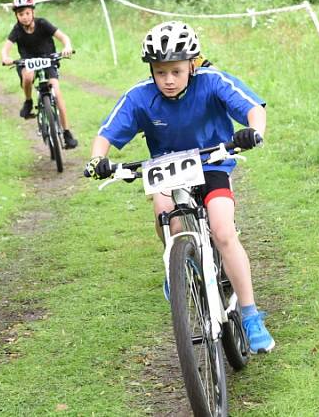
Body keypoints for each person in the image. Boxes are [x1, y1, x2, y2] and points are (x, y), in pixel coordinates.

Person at [85, 21, 275, 354]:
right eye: (160, 72)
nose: (168, 80)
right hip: (166, 171)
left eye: (176, 71)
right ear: (151, 71)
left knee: (222, 229)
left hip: (212, 163)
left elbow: (252, 108)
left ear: (192, 64)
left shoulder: (212, 81)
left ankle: (249, 314)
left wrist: (252, 131)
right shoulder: (139, 97)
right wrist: (98, 158)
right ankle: (178, 263)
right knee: (165, 216)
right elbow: (106, 134)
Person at [0, 0, 79, 149]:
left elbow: (63, 37)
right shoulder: (17, 30)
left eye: (27, 13)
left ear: (33, 13)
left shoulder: (43, 24)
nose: (24, 17)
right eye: (21, 14)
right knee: (28, 76)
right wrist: (6, 57)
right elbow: (5, 48)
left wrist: (67, 46)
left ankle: (67, 133)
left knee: (56, 90)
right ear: (16, 15)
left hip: (48, 59)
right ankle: (28, 101)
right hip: (27, 62)